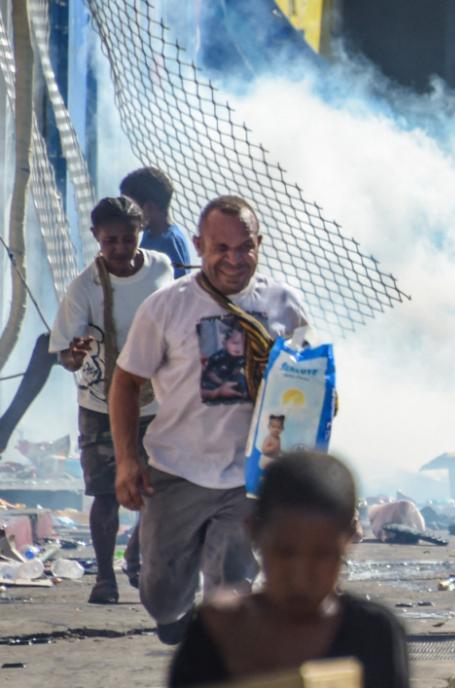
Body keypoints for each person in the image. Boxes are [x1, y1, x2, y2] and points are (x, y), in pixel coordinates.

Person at [111, 195, 309, 643]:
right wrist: (126, 460)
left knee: (231, 590)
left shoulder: (283, 303)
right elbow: (125, 383)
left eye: (245, 248)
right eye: (221, 249)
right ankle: (173, 618)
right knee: (161, 592)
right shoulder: (167, 307)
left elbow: (306, 384)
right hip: (176, 471)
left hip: (249, 477)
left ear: (259, 244)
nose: (234, 260)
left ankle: (220, 658)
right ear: (199, 246)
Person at [169, 451, 409, 687]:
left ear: (348, 541)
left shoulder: (373, 634)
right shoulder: (215, 633)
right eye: (285, 553)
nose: (301, 577)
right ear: (255, 534)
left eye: (322, 555)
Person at [48, 197, 174, 604]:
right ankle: (105, 577)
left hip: (157, 401)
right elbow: (65, 357)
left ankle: (136, 553)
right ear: (95, 239)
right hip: (101, 403)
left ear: (141, 234)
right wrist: (76, 354)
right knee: (105, 493)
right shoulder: (84, 288)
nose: (120, 249)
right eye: (110, 241)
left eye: (128, 239)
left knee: (159, 487)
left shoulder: (161, 268)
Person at [120, 166, 193, 278]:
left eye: (130, 208)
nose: (126, 215)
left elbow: (179, 286)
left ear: (149, 208)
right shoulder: (149, 233)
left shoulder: (169, 242)